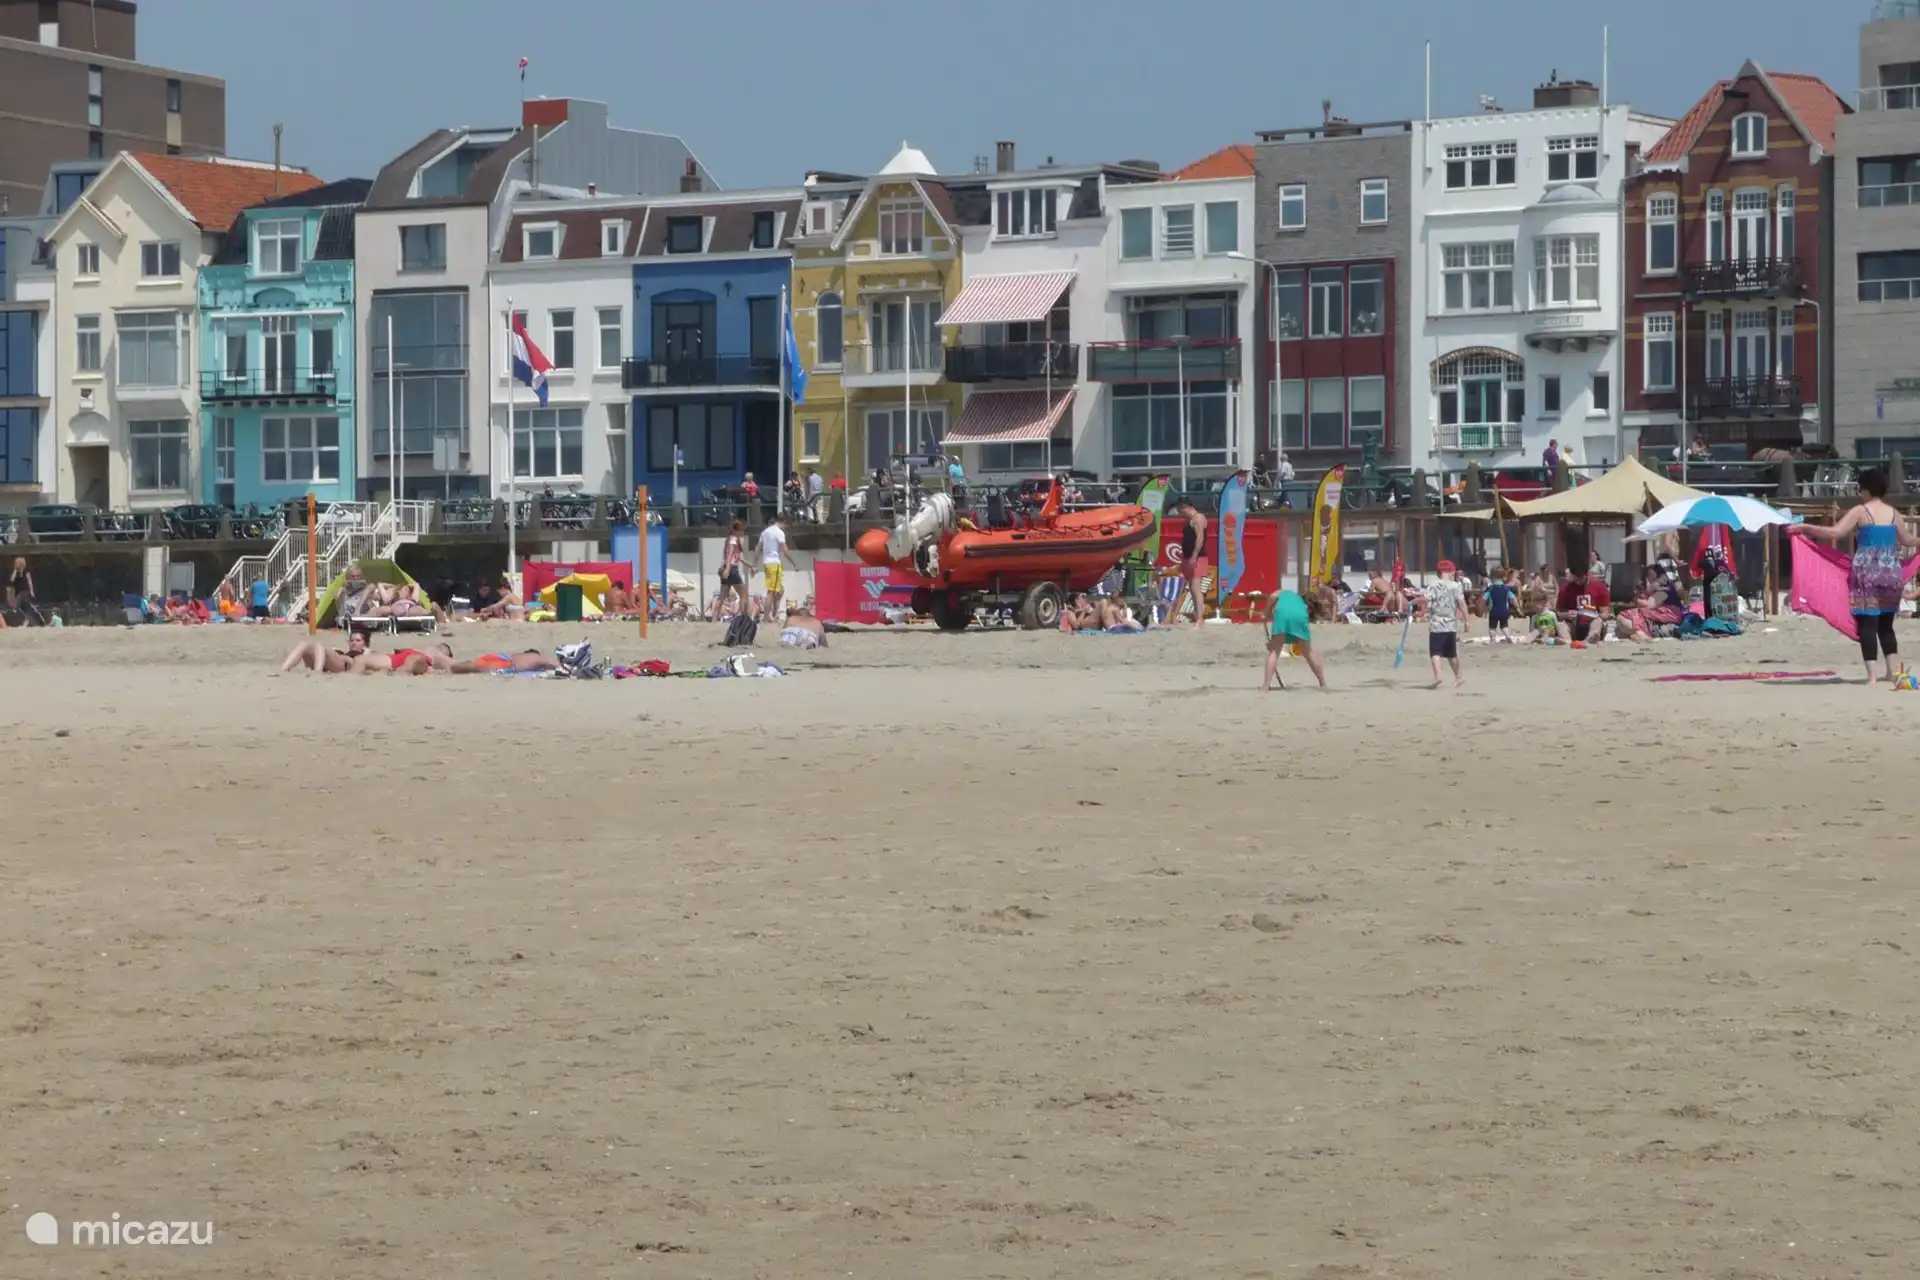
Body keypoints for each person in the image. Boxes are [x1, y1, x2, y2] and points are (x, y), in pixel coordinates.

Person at [1791, 468, 1920, 683]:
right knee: (1886, 624)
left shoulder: (1861, 511)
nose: (1860, 492)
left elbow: (1835, 533)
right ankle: (1893, 672)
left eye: (1860, 488)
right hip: (1891, 571)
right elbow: (1908, 541)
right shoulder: (1894, 513)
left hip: (1867, 571)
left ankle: (1871, 676)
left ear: (1866, 489)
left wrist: (1805, 527)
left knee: (1867, 623)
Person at [1263, 588, 1326, 691]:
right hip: (1299, 617)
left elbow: (1273, 596)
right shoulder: (1301, 605)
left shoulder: (1286, 592)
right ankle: (1322, 682)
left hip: (1282, 615)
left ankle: (1266, 686)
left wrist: (1267, 611)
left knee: (1274, 651)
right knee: (1308, 652)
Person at [1165, 497, 1210, 630]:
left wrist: (1194, 555)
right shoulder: (1190, 520)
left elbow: (1200, 537)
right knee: (1191, 588)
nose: (1179, 514)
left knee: (1196, 589)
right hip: (1189, 557)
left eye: (1180, 511)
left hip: (1197, 558)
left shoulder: (1198, 518)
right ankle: (1198, 617)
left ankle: (1200, 620)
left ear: (1185, 507)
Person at [1426, 560, 1467, 688]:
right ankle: (1459, 677)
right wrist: (1466, 620)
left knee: (1435, 652)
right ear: (1451, 571)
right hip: (1451, 625)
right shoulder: (1456, 586)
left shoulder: (1433, 585)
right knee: (1451, 654)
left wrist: (1414, 602)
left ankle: (1438, 676)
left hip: (1437, 624)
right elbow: (1462, 604)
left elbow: (1426, 599)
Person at [756, 510, 797, 622]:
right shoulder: (779, 533)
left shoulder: (765, 532)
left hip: (767, 562)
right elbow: (785, 550)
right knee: (772, 591)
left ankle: (773, 614)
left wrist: (754, 564)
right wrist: (794, 563)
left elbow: (758, 548)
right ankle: (766, 617)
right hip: (774, 563)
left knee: (777, 590)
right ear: (785, 521)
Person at [1555, 565, 1612, 643]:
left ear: (1587, 574)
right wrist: (1566, 614)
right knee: (1560, 625)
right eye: (1575, 577)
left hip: (1591, 624)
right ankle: (1568, 642)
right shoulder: (1565, 589)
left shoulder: (1600, 588)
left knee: (1598, 621)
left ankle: (1590, 639)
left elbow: (1605, 615)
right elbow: (1558, 613)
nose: (1577, 580)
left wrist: (1589, 614)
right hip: (1573, 625)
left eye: (1580, 577)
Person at [278, 629, 371, 674]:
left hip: (343, 666)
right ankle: (283, 670)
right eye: (352, 640)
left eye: (358, 640)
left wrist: (344, 657)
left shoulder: (365, 653)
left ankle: (317, 673)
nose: (354, 643)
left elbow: (360, 664)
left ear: (365, 643)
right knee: (304, 643)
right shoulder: (348, 652)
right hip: (332, 663)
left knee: (319, 645)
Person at [718, 519, 750, 618]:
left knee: (722, 596)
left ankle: (715, 617)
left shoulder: (730, 539)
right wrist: (728, 569)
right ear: (737, 530)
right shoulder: (734, 539)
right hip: (732, 568)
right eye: (742, 530)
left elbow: (738, 557)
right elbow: (730, 555)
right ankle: (743, 616)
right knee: (744, 594)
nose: (743, 533)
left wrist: (750, 565)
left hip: (727, 567)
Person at [8, 556, 44, 626]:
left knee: (20, 598)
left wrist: (32, 591)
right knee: (26, 609)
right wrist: (15, 570)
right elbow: (11, 580)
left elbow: (30, 582)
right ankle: (32, 622)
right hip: (18, 593)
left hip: (25, 591)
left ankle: (15, 608)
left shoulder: (26, 572)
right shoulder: (15, 574)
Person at [1485, 570, 1516, 642]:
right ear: (1502, 577)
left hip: (1494, 610)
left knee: (1492, 627)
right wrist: (1516, 607)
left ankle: (1493, 639)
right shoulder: (1506, 588)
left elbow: (1484, 599)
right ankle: (1508, 636)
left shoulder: (1490, 588)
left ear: (1492, 577)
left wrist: (1482, 608)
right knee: (1504, 626)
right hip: (1504, 611)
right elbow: (1513, 598)